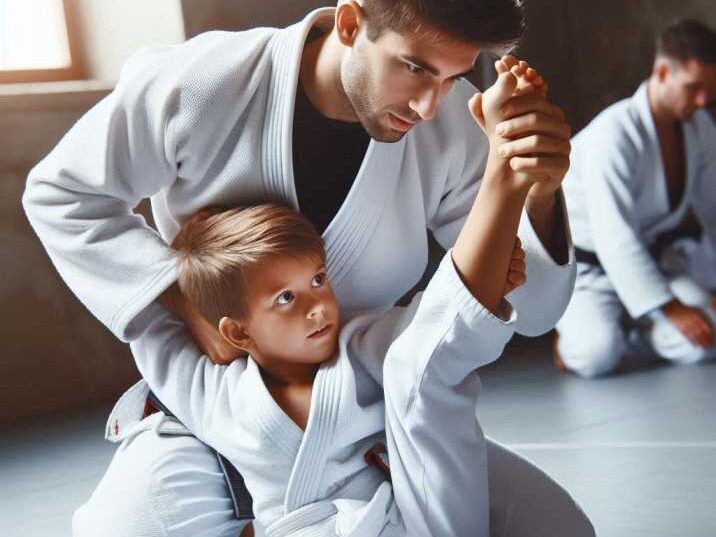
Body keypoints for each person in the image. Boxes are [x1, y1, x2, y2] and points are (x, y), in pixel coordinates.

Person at [23, 1, 582, 536]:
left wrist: (538, 194)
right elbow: (60, 194)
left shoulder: (453, 123)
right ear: (349, 23)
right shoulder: (205, 82)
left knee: (558, 529)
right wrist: (185, 297)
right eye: (414, 68)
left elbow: (531, 312)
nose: (428, 107)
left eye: (453, 76)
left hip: (375, 413)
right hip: (225, 413)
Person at [555, 20, 716, 378]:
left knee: (706, 337)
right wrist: (670, 309)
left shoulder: (699, 126)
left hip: (652, 264)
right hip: (588, 269)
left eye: (710, 90)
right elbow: (614, 236)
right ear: (662, 72)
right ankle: (581, 334)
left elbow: (713, 208)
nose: (704, 100)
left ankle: (636, 325)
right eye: (694, 88)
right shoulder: (613, 134)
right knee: (596, 355)